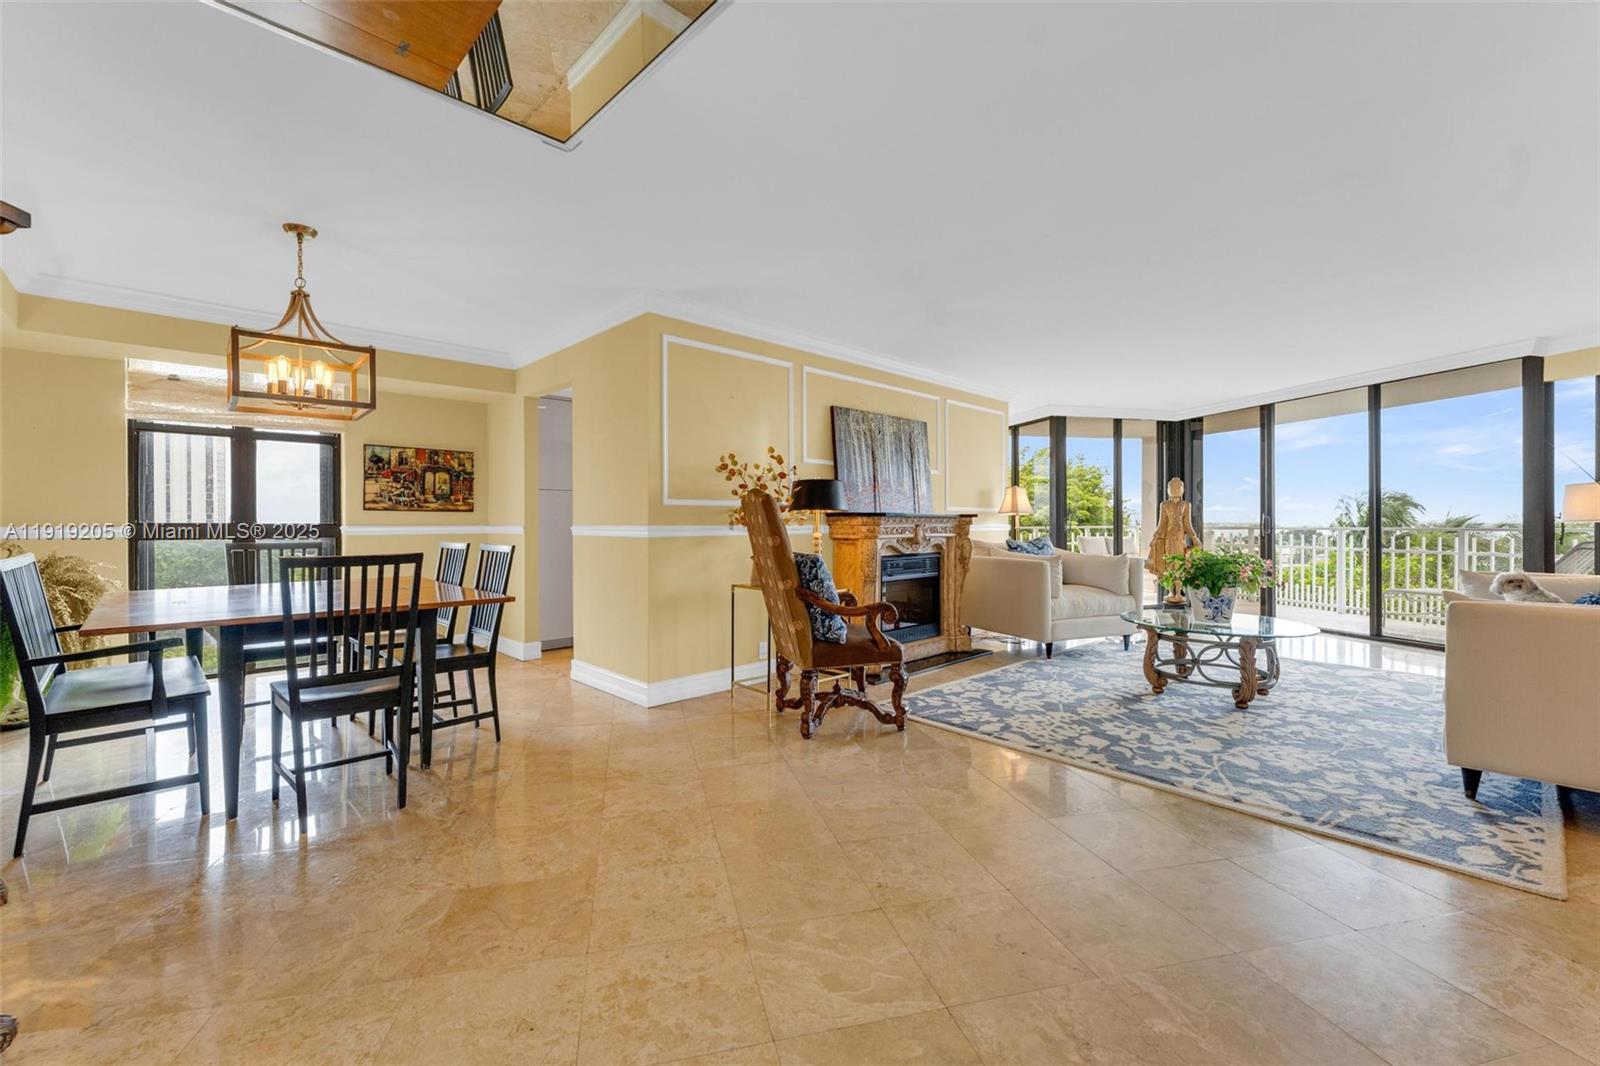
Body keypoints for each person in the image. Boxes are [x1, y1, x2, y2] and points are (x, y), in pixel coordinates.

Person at [1145, 477, 1201, 604]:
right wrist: (1155, 536)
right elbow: (1162, 523)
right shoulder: (1165, 505)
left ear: (1182, 489)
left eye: (1178, 487)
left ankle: (1179, 593)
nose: (1175, 490)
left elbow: (1187, 524)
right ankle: (1171, 591)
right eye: (1172, 487)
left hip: (1180, 539)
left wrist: (1194, 536)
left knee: (1180, 565)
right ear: (1168, 489)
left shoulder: (1185, 505)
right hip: (1168, 539)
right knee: (1169, 565)